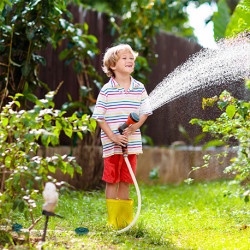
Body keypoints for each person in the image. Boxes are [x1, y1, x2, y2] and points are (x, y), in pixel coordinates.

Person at [92, 44, 152, 229]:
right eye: (124, 58)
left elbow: (145, 112)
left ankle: (124, 222)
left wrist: (134, 128)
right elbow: (99, 117)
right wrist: (113, 137)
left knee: (126, 179)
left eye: (131, 58)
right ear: (112, 65)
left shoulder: (139, 87)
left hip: (131, 143)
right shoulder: (107, 89)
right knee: (112, 179)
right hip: (112, 145)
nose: (130, 61)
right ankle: (113, 221)